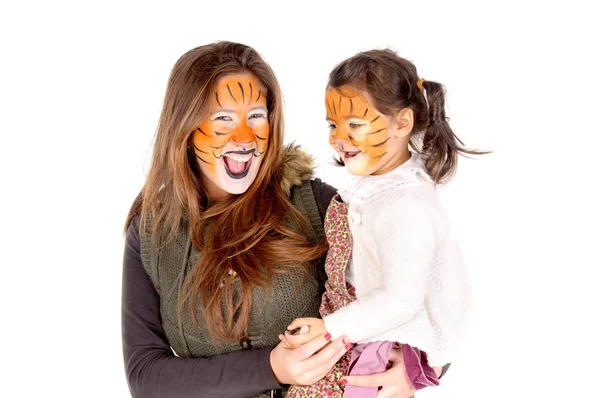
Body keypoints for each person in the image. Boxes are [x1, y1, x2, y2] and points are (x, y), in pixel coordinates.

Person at [122, 41, 446, 398]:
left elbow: (427, 289)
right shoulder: (152, 231)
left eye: (256, 116)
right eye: (223, 118)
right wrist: (272, 367)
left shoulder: (316, 204)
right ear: (184, 126)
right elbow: (145, 377)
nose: (244, 138)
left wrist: (419, 367)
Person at [281, 49, 484, 397]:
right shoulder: (375, 189)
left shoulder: (403, 204)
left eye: (354, 125)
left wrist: (327, 328)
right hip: (363, 333)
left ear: (402, 123)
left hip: (382, 345)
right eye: (333, 125)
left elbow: (400, 300)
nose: (337, 138)